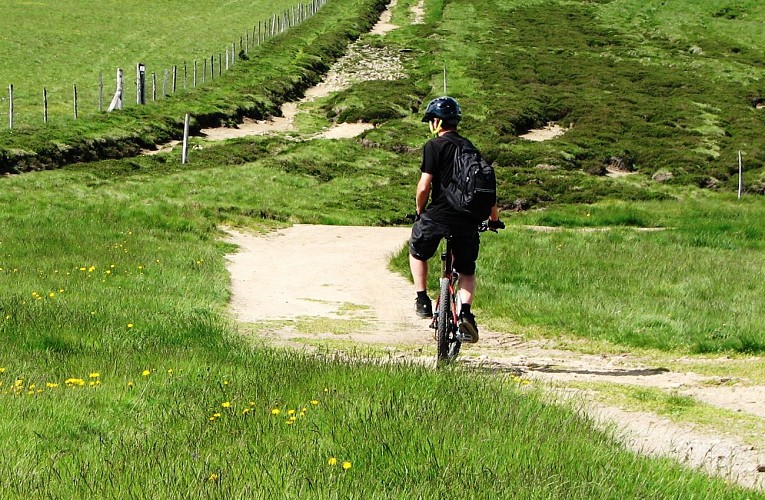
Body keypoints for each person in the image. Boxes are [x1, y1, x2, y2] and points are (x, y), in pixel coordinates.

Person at [409, 96, 501, 343]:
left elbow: (424, 186)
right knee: (467, 270)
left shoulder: (433, 146)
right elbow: (487, 187)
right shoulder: (470, 147)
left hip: (439, 214)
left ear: (436, 122)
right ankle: (466, 314)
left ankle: (422, 300)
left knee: (417, 251)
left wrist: (420, 211)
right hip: (468, 217)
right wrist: (493, 219)